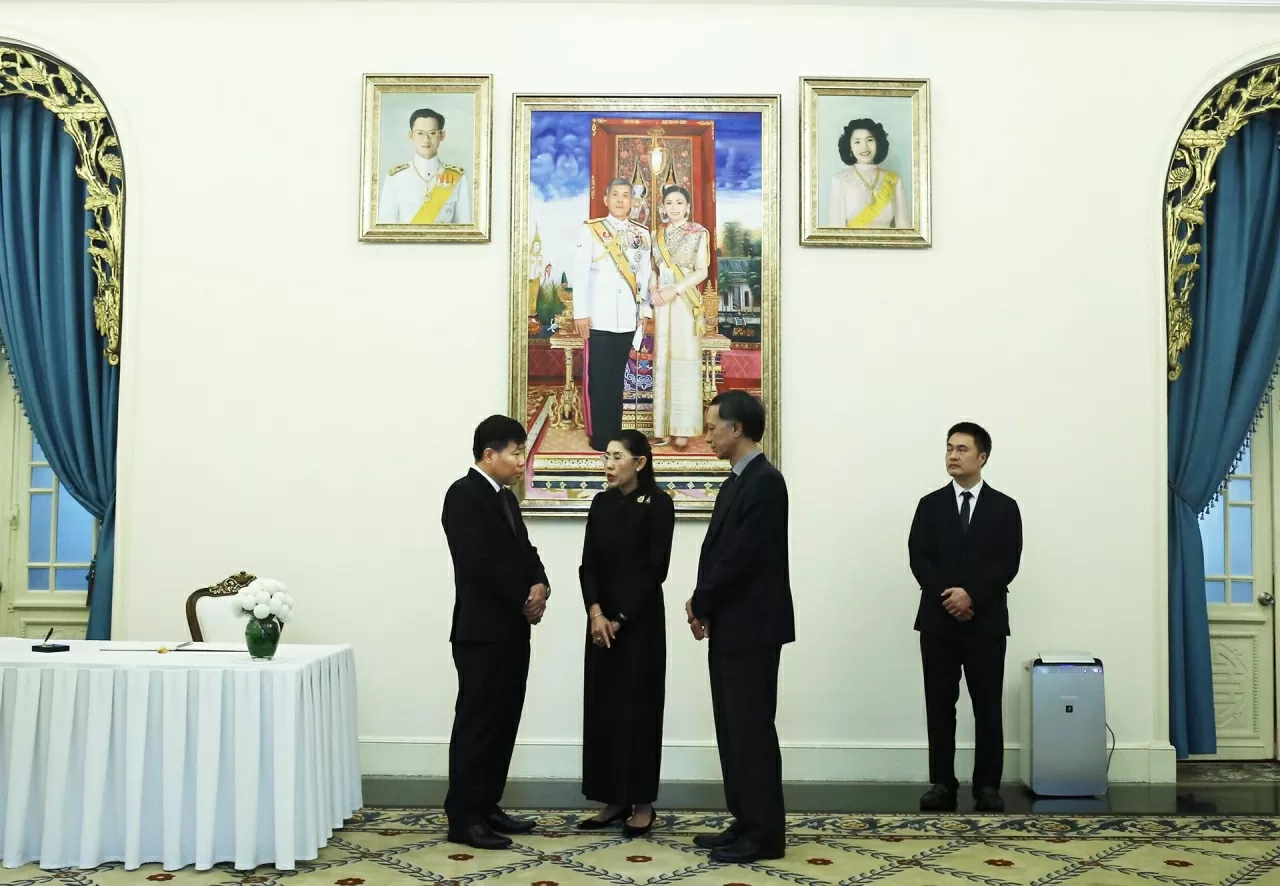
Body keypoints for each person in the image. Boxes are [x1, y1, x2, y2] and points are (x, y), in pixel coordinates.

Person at [685, 391, 794, 863]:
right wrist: (701, 600)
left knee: (751, 728)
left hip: (753, 626)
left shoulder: (767, 483)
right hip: (729, 622)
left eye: (712, 426)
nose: (706, 435)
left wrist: (705, 599)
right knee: (731, 728)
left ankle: (765, 833)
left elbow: (743, 557)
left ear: (737, 429)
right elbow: (715, 553)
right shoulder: (734, 483)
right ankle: (744, 819)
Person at [441, 415, 550, 849]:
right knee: (477, 724)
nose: (522, 460)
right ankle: (463, 816)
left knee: (504, 722)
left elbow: (525, 551)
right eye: (516, 452)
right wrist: (523, 598)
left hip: (511, 632)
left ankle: (487, 805)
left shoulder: (505, 499)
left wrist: (541, 584)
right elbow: (477, 562)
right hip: (481, 632)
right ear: (490, 454)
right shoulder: (463, 495)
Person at [908, 422, 1022, 812]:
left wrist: (971, 595)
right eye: (949, 448)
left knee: (987, 705)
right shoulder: (929, 505)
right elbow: (919, 559)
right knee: (940, 704)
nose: (953, 456)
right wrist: (950, 596)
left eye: (962, 449)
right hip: (938, 622)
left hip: (986, 622)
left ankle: (987, 785)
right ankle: (942, 782)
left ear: (982, 457)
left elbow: (1008, 563)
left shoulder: (1005, 508)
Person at [577, 430, 675, 836]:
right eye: (606, 457)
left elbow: (656, 570)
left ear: (640, 462)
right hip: (601, 626)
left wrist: (619, 616)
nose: (609, 464)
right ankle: (612, 799)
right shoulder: (600, 503)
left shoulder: (658, 505)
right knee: (604, 710)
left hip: (639, 625)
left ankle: (643, 803)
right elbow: (589, 565)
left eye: (617, 457)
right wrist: (596, 613)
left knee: (638, 710)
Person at [572, 179, 653, 451]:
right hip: (598, 317)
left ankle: (614, 434)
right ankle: (599, 437)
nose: (620, 200)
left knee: (617, 378)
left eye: (626, 195)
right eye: (615, 194)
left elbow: (644, 277)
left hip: (627, 318)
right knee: (598, 378)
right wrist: (581, 314)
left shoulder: (642, 234)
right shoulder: (592, 231)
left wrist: (644, 312)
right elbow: (580, 274)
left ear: (633, 201)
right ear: (606, 199)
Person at [650, 185, 708, 451]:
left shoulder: (699, 233)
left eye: (679, 203)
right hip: (662, 301)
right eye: (669, 203)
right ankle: (661, 427)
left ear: (688, 207)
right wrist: (654, 289)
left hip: (684, 302)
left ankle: (682, 428)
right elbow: (652, 268)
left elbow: (701, 271)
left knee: (683, 360)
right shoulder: (656, 234)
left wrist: (676, 289)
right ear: (664, 206)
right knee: (663, 360)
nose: (674, 208)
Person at [378, 108, 473, 225]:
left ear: (442, 136)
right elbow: (385, 229)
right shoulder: (395, 177)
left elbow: (465, 228)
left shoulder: (457, 177)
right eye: (420, 133)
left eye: (432, 133)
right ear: (411, 135)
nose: (426, 139)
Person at [827, 118, 910, 229]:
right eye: (857, 142)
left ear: (878, 143)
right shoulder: (839, 180)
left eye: (870, 140)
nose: (864, 147)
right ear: (850, 147)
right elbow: (835, 230)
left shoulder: (894, 180)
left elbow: (904, 228)